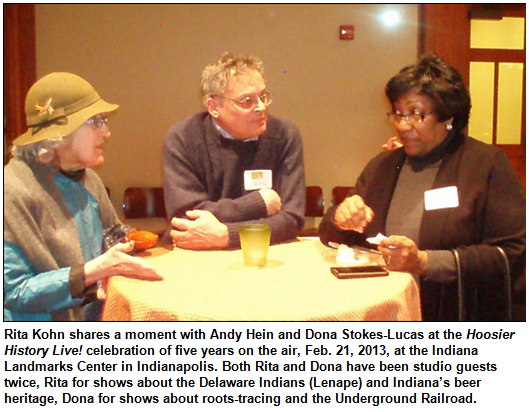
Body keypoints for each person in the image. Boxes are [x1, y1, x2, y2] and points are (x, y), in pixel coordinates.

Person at [319, 55, 525, 321]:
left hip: (457, 317)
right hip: (383, 309)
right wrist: (340, 219)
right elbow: (329, 235)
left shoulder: (486, 165)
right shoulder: (383, 166)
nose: (402, 124)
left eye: (416, 114)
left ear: (448, 116)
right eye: (398, 113)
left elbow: (510, 253)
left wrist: (425, 262)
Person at [4, 72, 162, 321]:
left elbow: (109, 235)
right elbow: (14, 292)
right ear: (57, 136)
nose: (107, 132)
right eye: (96, 122)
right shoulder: (11, 191)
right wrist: (94, 271)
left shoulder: (87, 177)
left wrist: (126, 243)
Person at [163, 53, 306, 249]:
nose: (261, 107)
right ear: (213, 107)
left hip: (266, 253)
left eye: (263, 96)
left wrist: (228, 235)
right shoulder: (182, 138)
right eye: (247, 100)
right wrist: (258, 203)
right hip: (198, 256)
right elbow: (186, 219)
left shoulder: (284, 135)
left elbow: (292, 219)